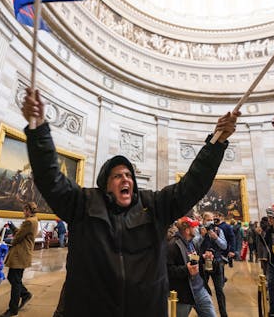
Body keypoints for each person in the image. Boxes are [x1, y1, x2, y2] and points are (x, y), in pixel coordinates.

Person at [21, 88, 239, 317]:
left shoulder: (154, 205)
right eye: (117, 175)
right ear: (106, 184)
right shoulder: (84, 203)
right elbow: (50, 178)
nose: (125, 178)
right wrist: (38, 130)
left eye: (128, 175)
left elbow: (192, 185)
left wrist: (216, 143)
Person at [167, 216, 216, 317]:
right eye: (193, 227)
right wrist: (186, 270)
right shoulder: (172, 245)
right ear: (187, 230)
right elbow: (167, 270)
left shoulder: (192, 243)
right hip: (184, 294)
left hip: (200, 290)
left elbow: (194, 258)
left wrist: (203, 257)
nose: (196, 229)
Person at [0, 202, 39, 317]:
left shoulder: (29, 222)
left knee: (15, 281)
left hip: (20, 254)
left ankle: (13, 309)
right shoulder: (34, 220)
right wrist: (12, 227)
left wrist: (8, 241)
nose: (23, 212)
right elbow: (21, 233)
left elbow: (18, 237)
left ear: (28, 210)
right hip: (23, 253)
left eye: (24, 210)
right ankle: (25, 294)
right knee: (14, 278)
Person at [194, 212, 228, 317]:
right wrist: (202, 236)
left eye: (211, 219)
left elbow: (224, 246)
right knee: (203, 289)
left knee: (219, 290)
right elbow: (195, 245)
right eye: (208, 219)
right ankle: (205, 312)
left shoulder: (218, 230)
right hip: (203, 264)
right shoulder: (199, 231)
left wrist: (216, 238)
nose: (210, 222)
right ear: (203, 220)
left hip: (216, 263)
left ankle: (223, 314)